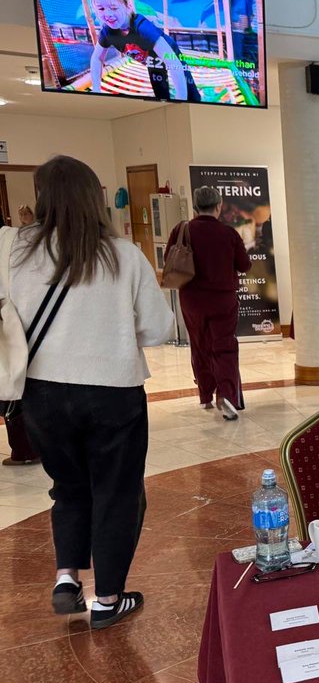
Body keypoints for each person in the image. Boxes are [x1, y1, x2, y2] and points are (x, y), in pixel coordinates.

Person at [13, 155, 173, 629]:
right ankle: (106, 599)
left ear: (40, 197)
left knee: (68, 487)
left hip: (40, 392)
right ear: (94, 197)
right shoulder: (122, 254)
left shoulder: (12, 249)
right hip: (112, 392)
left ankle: (66, 577)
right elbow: (159, 328)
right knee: (117, 492)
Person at [165, 186, 250, 420]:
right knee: (224, 347)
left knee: (199, 343)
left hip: (191, 299)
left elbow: (169, 259)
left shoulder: (181, 230)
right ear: (219, 205)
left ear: (194, 207)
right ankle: (227, 396)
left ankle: (205, 395)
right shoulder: (228, 233)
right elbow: (244, 265)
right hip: (223, 299)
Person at [89, 0, 201, 102]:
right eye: (101, 9)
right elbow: (97, 58)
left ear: (128, 7)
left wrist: (181, 99)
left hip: (169, 53)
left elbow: (173, 63)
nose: (108, 14)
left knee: (188, 88)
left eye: (114, 8)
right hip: (151, 60)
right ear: (94, 10)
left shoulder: (141, 27)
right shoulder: (107, 32)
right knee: (160, 91)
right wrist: (96, 90)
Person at [3, 202, 42, 466]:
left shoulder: (9, 238)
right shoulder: (9, 239)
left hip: (11, 323)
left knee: (13, 385)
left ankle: (24, 448)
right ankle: (27, 447)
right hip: (17, 322)